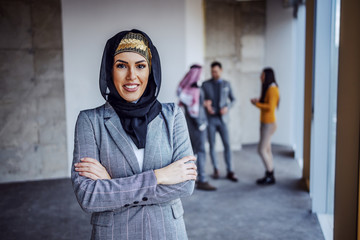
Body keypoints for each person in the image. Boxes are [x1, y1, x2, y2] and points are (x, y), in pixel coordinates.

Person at [71, 30, 197, 240]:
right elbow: (89, 196)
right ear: (110, 70)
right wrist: (160, 176)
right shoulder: (90, 121)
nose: (131, 76)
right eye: (121, 65)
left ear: (151, 70)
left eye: (140, 65)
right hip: (114, 234)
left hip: (166, 232)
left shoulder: (173, 115)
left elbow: (185, 184)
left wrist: (111, 185)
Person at [177, 64, 217, 191]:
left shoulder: (187, 88)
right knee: (200, 152)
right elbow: (194, 110)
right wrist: (201, 124)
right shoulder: (195, 89)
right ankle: (202, 179)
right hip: (198, 126)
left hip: (190, 125)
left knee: (191, 152)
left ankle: (188, 178)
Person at [202, 61, 237, 182]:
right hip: (211, 119)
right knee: (212, 145)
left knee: (227, 145)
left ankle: (230, 170)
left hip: (223, 120)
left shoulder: (227, 84)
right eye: (212, 71)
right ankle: (216, 169)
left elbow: (233, 99)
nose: (214, 73)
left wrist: (227, 107)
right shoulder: (205, 84)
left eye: (216, 71)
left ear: (221, 70)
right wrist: (206, 106)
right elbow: (200, 100)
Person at [250, 67, 280, 185]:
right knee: (267, 149)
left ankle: (270, 174)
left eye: (262, 75)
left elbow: (270, 108)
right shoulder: (269, 88)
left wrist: (256, 104)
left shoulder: (272, 89)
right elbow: (268, 104)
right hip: (266, 123)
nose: (260, 77)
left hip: (269, 124)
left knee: (261, 150)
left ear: (268, 76)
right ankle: (270, 173)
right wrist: (260, 102)